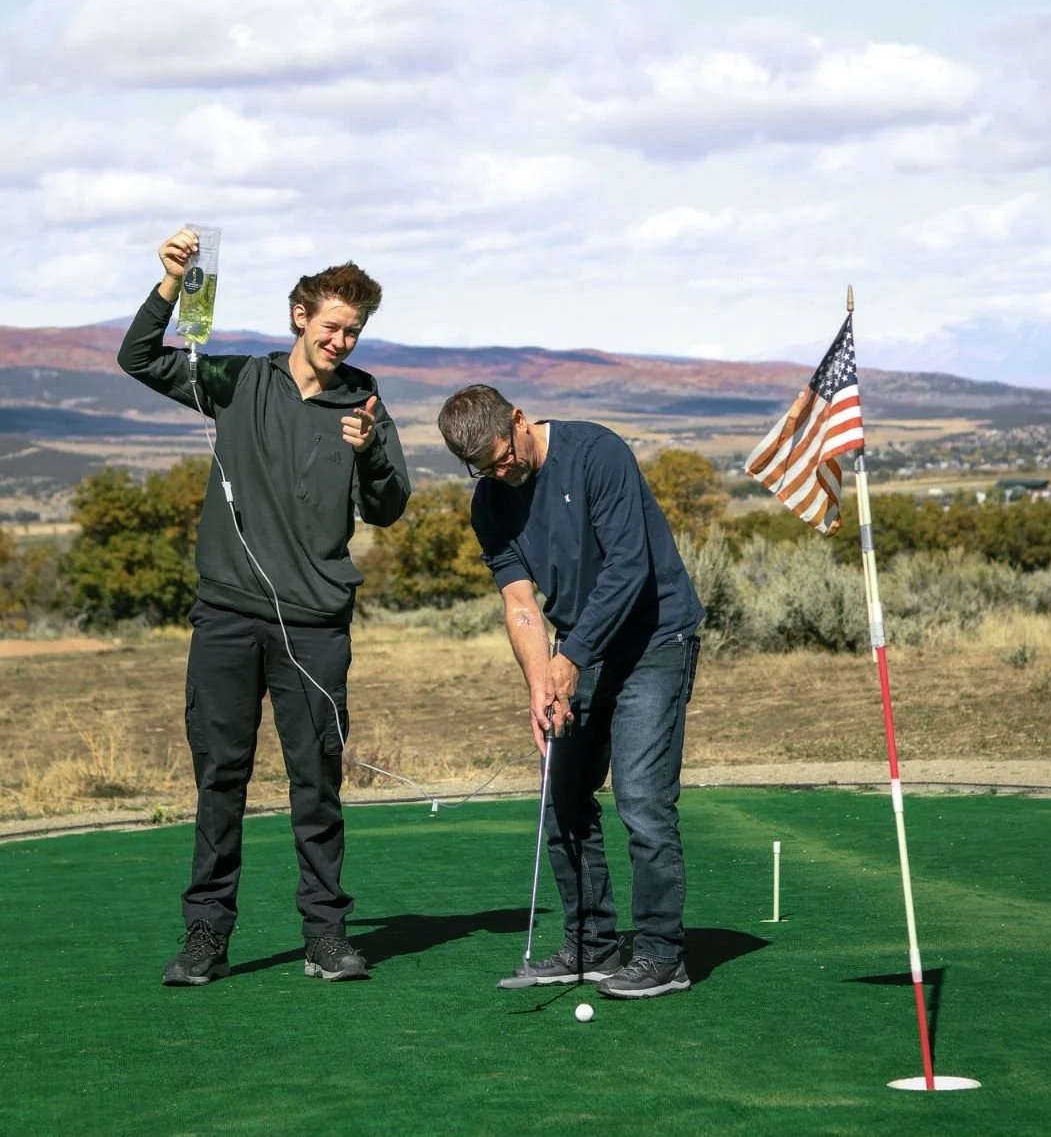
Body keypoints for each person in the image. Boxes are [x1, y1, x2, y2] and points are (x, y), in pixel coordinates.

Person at [118, 227, 411, 986]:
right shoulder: (239, 380)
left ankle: (326, 936)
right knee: (220, 779)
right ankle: (206, 936)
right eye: (331, 327)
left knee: (317, 784)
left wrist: (372, 450)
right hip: (226, 617)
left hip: (315, 627)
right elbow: (139, 358)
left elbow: (388, 508)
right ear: (298, 317)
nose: (341, 342)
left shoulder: (363, 402)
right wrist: (171, 284)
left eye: (353, 331)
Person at [437, 385, 703, 999]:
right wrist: (541, 682)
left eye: (503, 457)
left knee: (642, 799)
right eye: (483, 469)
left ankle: (662, 954)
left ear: (519, 420)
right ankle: (592, 945)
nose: (499, 473)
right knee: (562, 799)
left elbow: (628, 567)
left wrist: (571, 657)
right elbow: (520, 601)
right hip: (577, 648)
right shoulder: (490, 501)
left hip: (654, 639)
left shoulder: (597, 453)